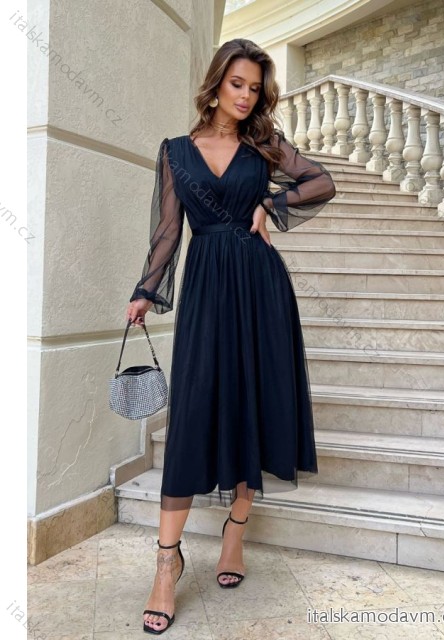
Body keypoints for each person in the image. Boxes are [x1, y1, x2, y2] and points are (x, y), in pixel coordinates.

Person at [125, 38, 336, 636]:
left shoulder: (264, 145)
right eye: (236, 84)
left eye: (254, 88)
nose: (245, 96)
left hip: (261, 288)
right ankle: (166, 563)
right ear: (216, 84)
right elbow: (169, 231)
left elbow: (321, 182)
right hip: (207, 290)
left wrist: (271, 202)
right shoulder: (175, 151)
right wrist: (146, 290)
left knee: (254, 407)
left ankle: (234, 536)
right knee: (194, 413)